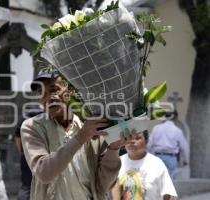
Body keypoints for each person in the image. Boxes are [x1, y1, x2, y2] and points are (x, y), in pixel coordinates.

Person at [21, 69, 136, 200]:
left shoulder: (93, 126)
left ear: (70, 91)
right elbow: (44, 173)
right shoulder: (32, 127)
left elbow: (103, 186)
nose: (48, 98)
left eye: (54, 90)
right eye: (42, 93)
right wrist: (81, 137)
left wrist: (113, 149)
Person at [111, 131, 178, 200]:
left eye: (137, 138)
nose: (132, 141)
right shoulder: (118, 163)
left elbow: (169, 194)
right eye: (129, 138)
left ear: (146, 141)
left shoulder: (156, 164)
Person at [147, 111, 189, 178]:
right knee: (169, 181)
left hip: (158, 157)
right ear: (176, 118)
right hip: (171, 158)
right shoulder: (177, 130)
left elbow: (149, 143)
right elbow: (184, 147)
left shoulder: (156, 128)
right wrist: (185, 160)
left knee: (157, 179)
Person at [14, 106, 43, 200]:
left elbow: (18, 137)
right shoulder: (48, 117)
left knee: (27, 186)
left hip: (28, 156)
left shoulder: (24, 117)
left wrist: (23, 152)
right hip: (46, 155)